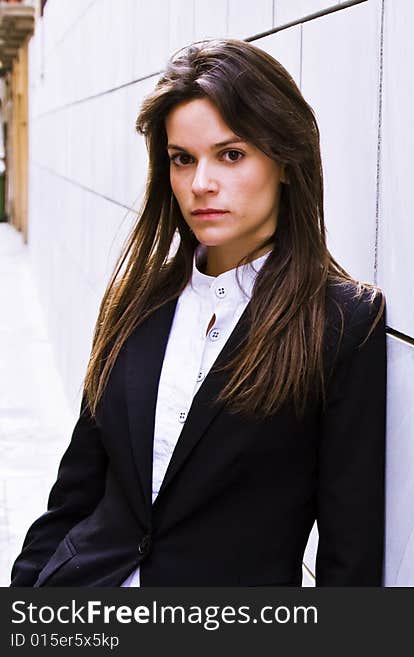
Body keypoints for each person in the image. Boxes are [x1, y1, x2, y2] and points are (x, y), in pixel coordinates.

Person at [9, 38, 387, 587]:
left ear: (285, 160)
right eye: (182, 159)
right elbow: (74, 496)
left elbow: (349, 559)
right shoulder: (137, 301)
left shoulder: (339, 323)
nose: (200, 184)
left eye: (231, 155)